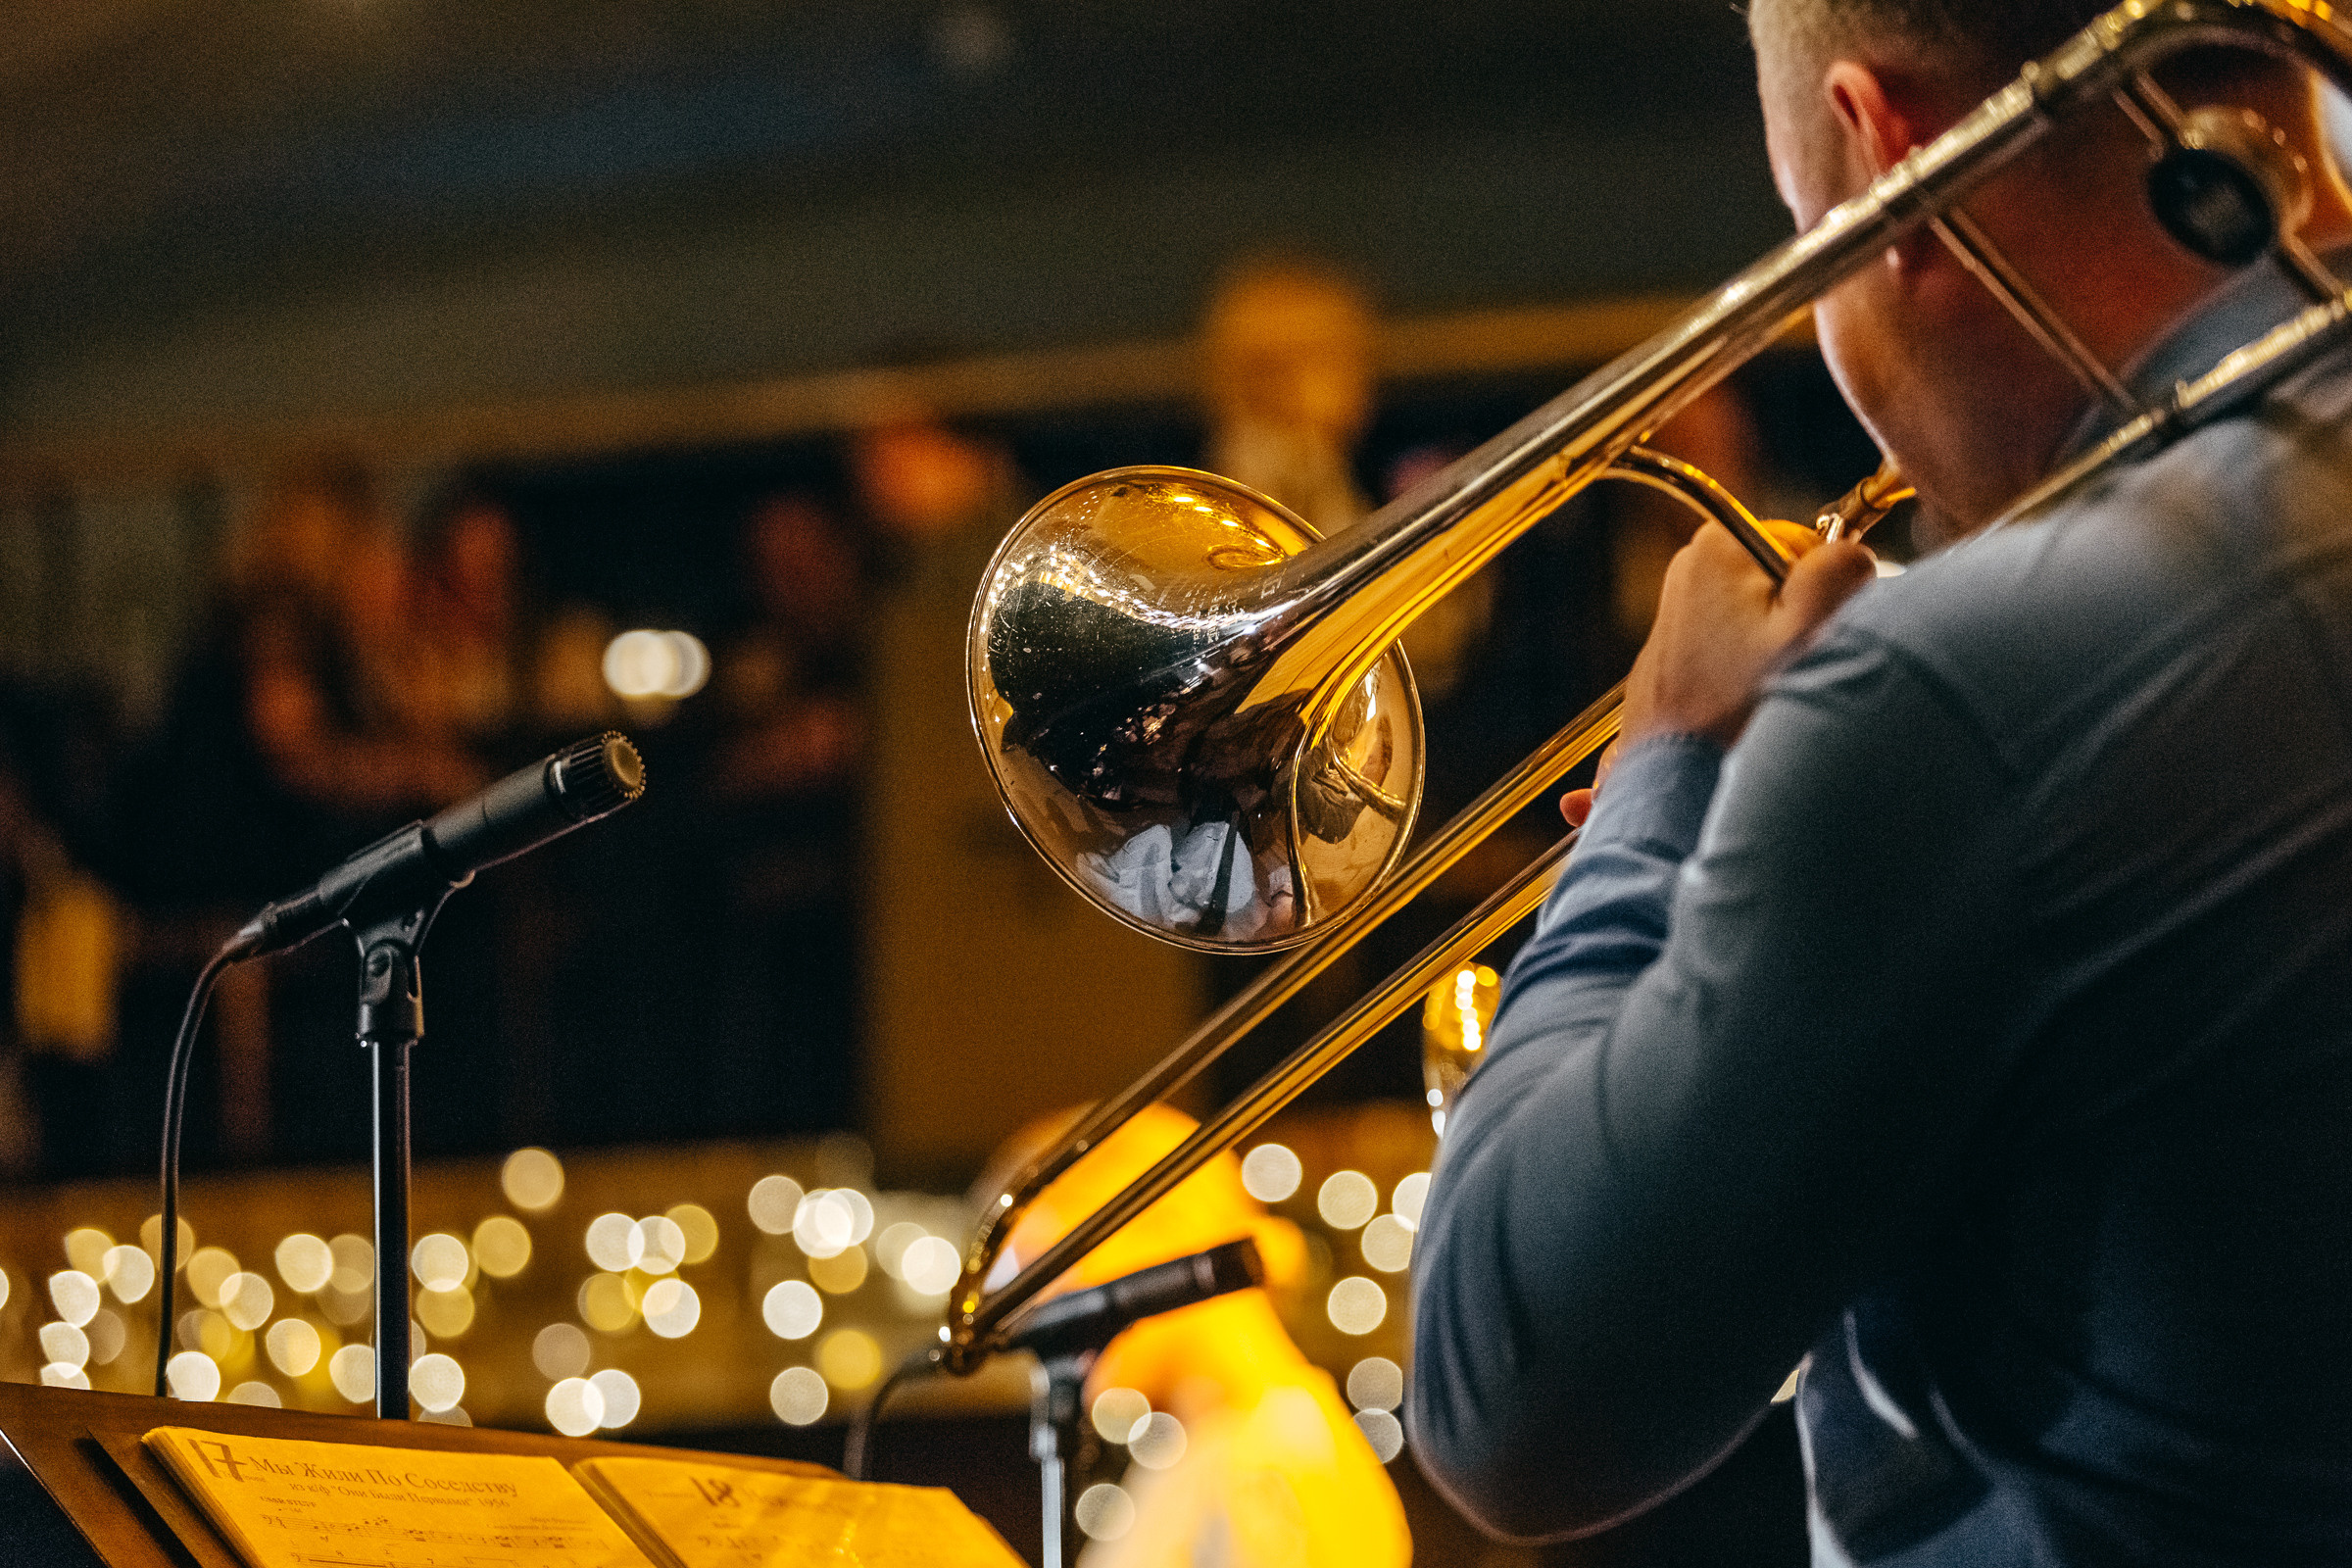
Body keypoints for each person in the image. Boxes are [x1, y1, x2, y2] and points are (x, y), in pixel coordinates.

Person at [1410, 4, 2352, 1563]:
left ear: (1884, 150)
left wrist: (1671, 764)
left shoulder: (1951, 686)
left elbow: (1504, 1402)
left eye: (1808, 236)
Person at [984, 1104, 1411, 1568]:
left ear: (1166, 1228)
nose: (1035, 1321)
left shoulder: (1263, 1472)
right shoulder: (1224, 1453)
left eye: (1042, 1272)